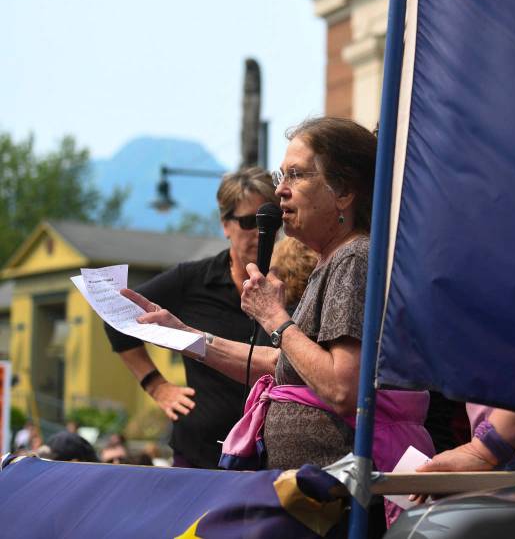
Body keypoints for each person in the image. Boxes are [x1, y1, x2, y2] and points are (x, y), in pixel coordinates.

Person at [122, 117, 432, 474]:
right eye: (281, 176)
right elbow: (286, 364)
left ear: (344, 192)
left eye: (296, 175)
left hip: (336, 494)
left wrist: (274, 317)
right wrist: (184, 336)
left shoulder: (353, 258)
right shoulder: (334, 259)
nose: (281, 190)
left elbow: (342, 389)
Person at [103, 167, 278, 468]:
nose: (260, 233)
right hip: (200, 455)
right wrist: (156, 385)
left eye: (271, 222)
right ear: (225, 224)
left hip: (269, 457)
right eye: (250, 222)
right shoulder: (192, 279)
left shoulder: (294, 281)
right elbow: (116, 318)